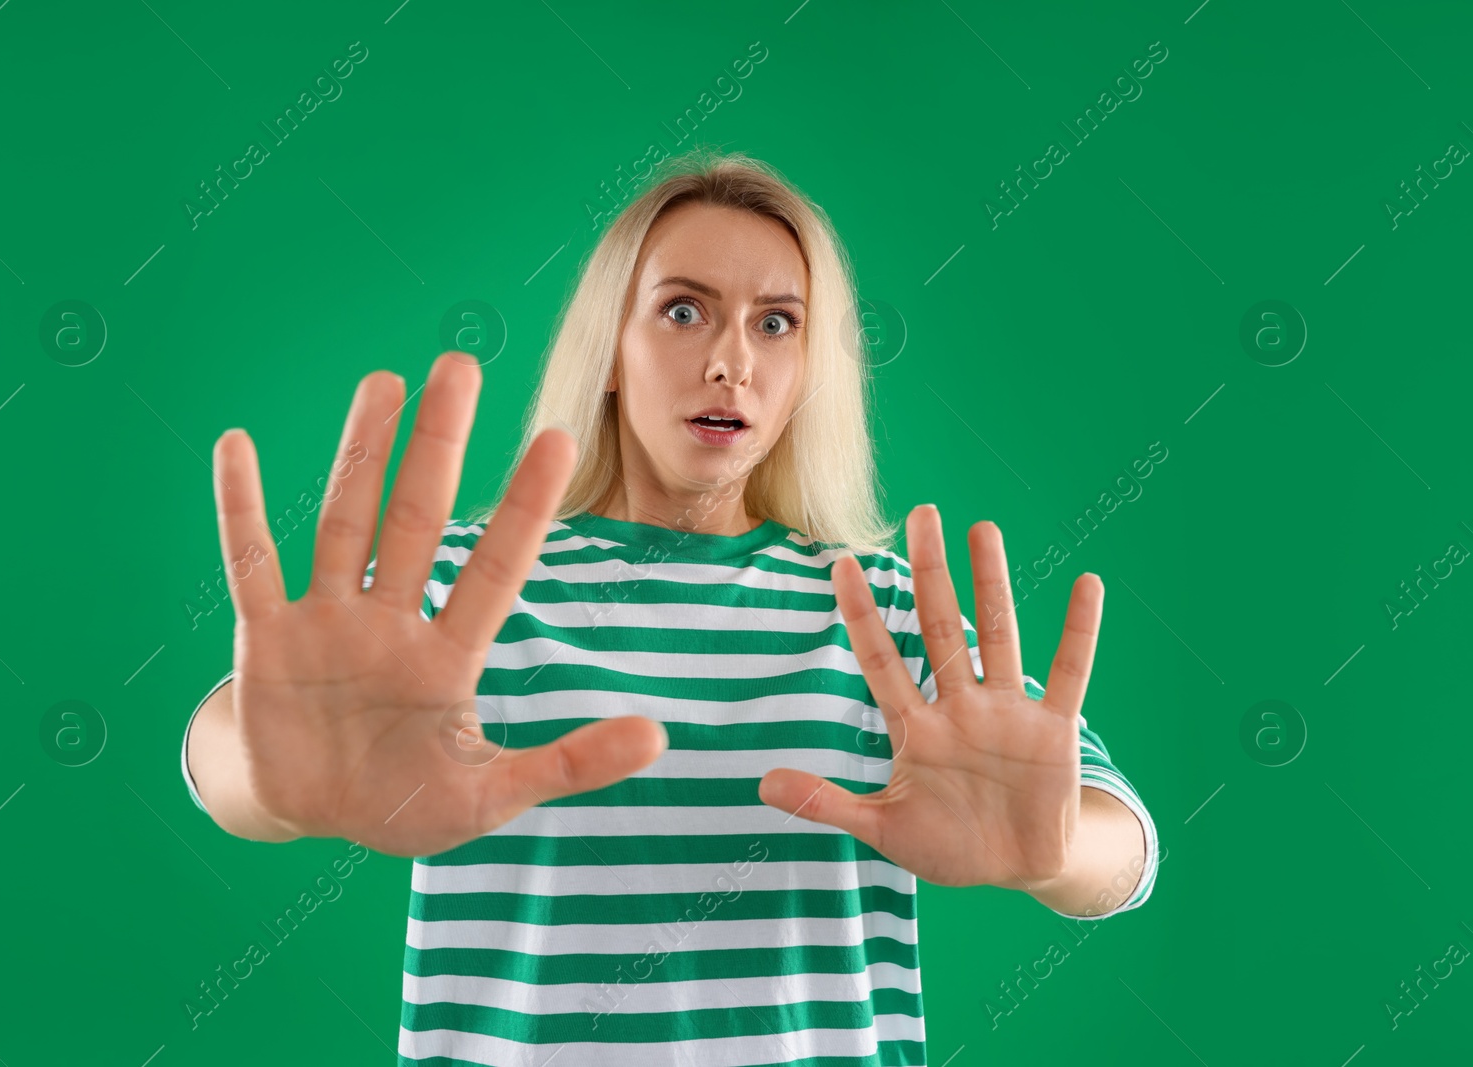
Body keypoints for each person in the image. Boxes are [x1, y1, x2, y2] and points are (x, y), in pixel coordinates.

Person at [181, 148, 1159, 1065]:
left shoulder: (881, 608)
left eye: (776, 321)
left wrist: (1056, 855)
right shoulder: (464, 589)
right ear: (609, 346)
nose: (731, 359)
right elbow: (236, 740)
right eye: (684, 311)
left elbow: (1122, 843)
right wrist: (269, 780)